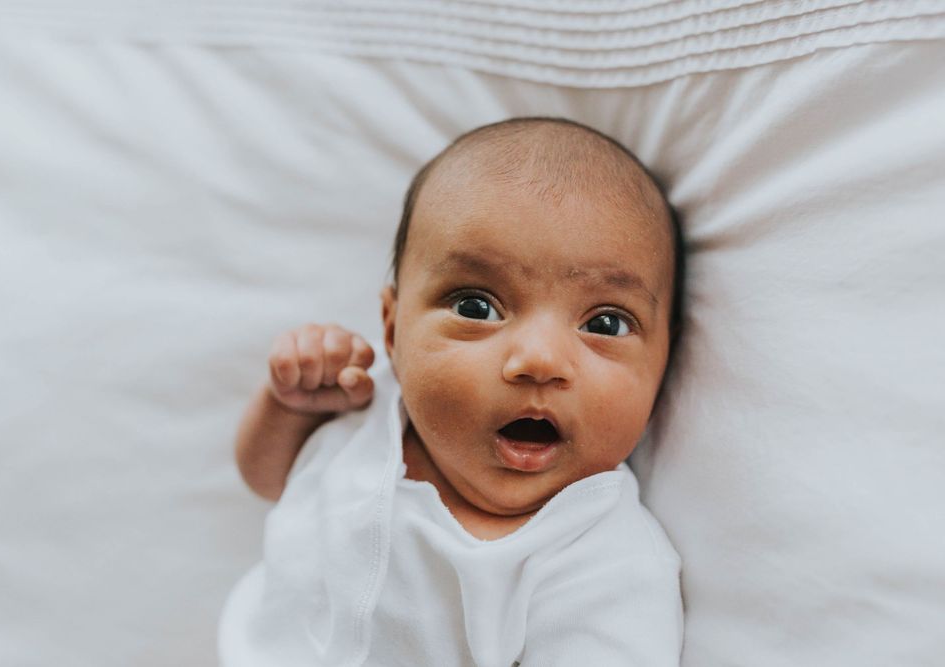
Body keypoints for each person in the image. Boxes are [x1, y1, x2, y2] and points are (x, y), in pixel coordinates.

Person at [219, 117, 685, 666]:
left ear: (664, 362)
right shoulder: (367, 402)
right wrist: (289, 407)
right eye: (475, 307)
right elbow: (267, 478)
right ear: (392, 330)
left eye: (605, 324)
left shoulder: (605, 562)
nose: (538, 360)